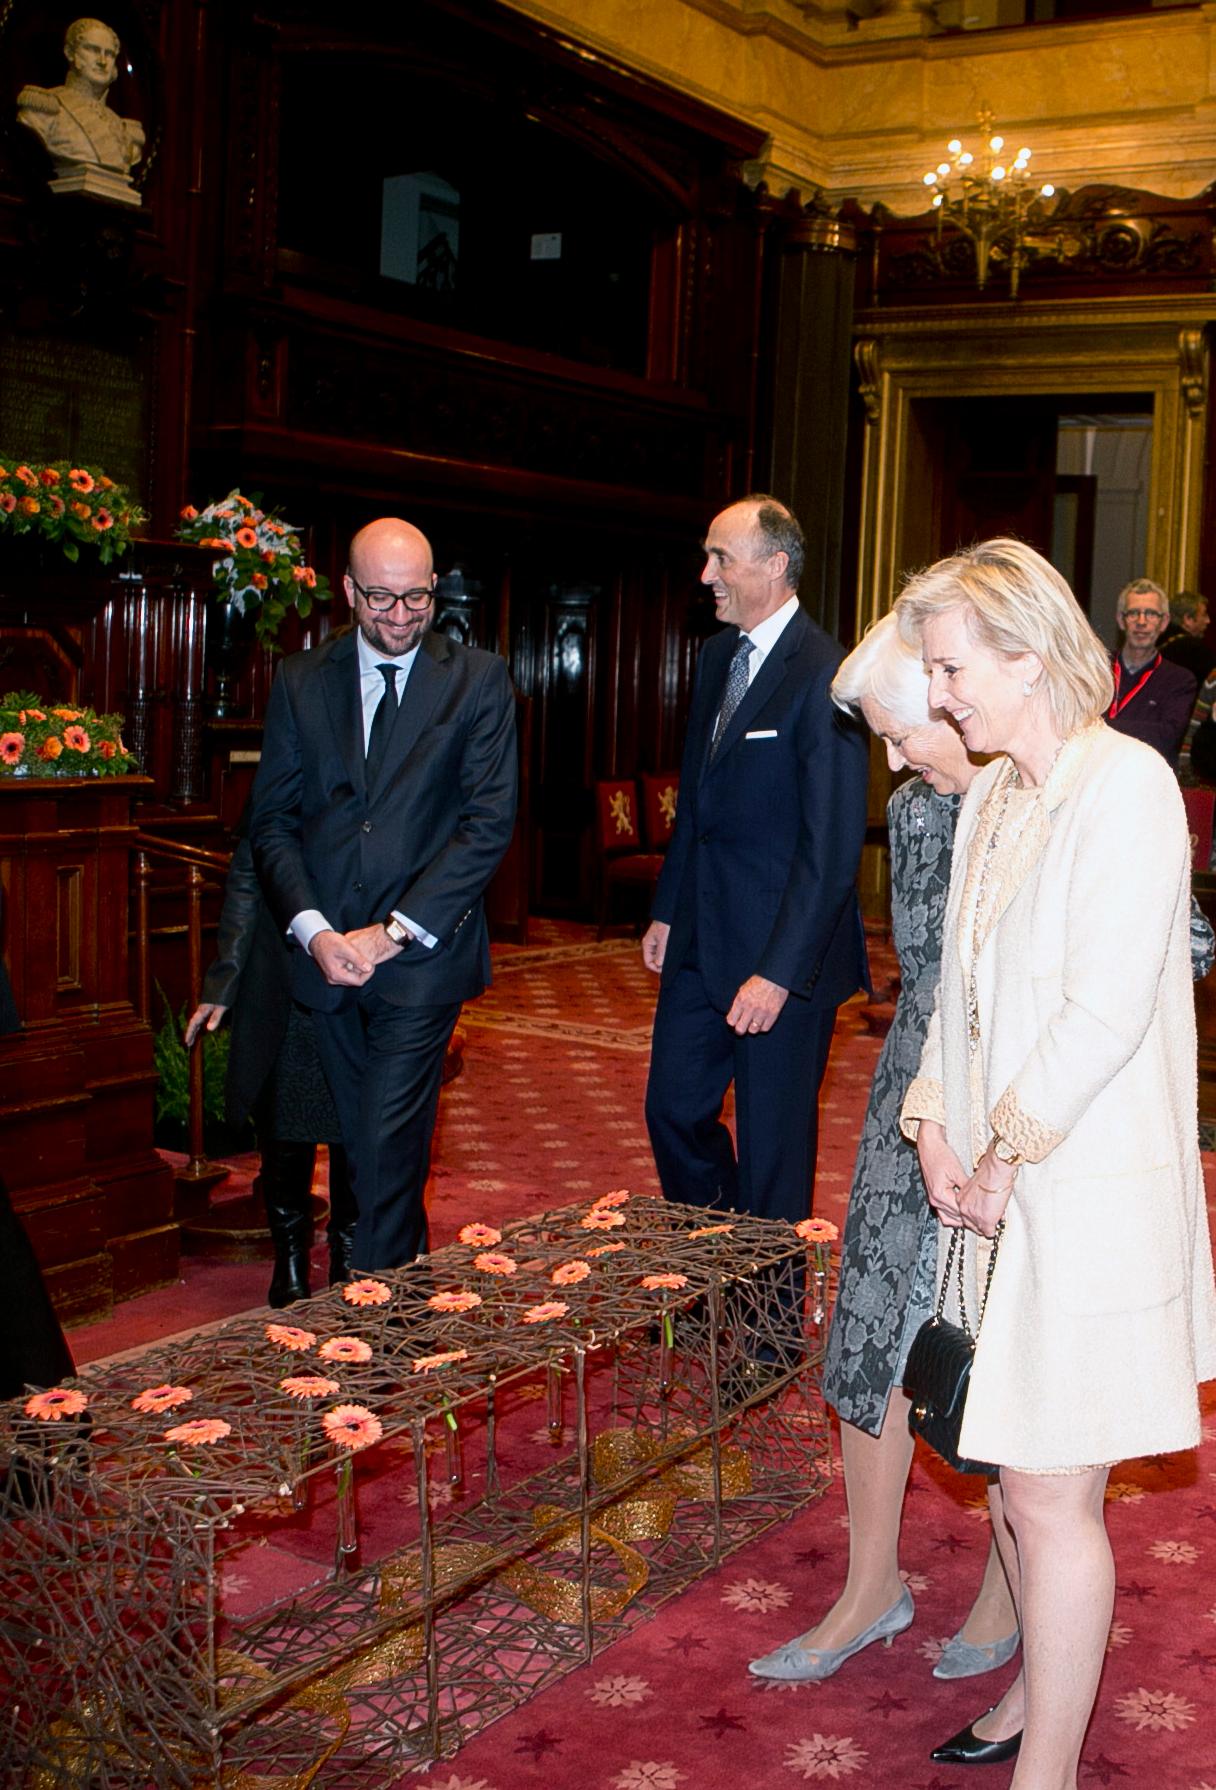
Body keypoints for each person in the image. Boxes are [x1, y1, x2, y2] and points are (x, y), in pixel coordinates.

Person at [897, 539, 1216, 1785]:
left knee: (1045, 1492)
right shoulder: (992, 793)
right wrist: (932, 1114)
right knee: (1006, 1474)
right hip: (991, 1193)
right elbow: (954, 997)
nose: (939, 698)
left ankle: (1051, 1771)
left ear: (1028, 656)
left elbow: (1102, 1010)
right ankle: (1036, 1691)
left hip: (1079, 1195)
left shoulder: (1122, 783)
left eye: (953, 667)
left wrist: (1006, 1151)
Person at [749, 612, 1018, 1685]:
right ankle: (872, 1586)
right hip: (916, 1093)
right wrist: (921, 1111)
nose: (895, 760)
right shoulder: (914, 813)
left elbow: (1174, 941)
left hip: (1017, 1118)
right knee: (868, 1341)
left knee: (995, 1358)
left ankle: (1008, 1585)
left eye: (903, 732)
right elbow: (924, 972)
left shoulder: (1054, 795)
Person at [250, 518, 517, 1272]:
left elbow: (487, 826)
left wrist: (391, 933)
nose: (399, 617)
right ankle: (405, 1312)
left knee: (383, 1147)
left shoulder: (477, 680)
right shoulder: (302, 681)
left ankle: (375, 1335)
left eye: (416, 600)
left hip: (421, 961)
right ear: (347, 591)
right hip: (327, 958)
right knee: (371, 1154)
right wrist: (315, 932)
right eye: (380, 600)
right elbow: (271, 823)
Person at [643, 494, 869, 1235]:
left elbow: (831, 849)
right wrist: (668, 908)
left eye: (721, 559)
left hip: (783, 959)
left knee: (774, 1154)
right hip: (701, 936)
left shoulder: (826, 674)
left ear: (775, 567)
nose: (706, 573)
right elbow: (697, 797)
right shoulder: (717, 655)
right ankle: (717, 1266)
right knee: (672, 1109)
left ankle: (766, 1335)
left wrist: (778, 972)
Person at [184, 831, 356, 1307]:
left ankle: (347, 1254)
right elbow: (247, 876)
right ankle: (291, 1260)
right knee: (284, 1120)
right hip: (282, 974)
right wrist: (224, 980)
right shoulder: (286, 765)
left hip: (359, 967)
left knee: (354, 1123)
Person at [16, 18, 145, 197]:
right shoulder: (44, 109)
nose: (102, 61)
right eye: (92, 50)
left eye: (109, 54)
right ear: (70, 53)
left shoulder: (126, 132)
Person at [1105, 577, 1195, 764]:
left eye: (1151, 614)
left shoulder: (1180, 680)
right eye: (1133, 613)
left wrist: (1100, 726)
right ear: (1121, 620)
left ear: (1164, 623)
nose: (1141, 621)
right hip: (1094, 775)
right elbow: (1073, 725)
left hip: (1148, 780)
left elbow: (1166, 737)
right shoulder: (1096, 669)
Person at [1160, 587, 1213, 688]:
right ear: (1188, 619)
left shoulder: (1156, 641)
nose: (1208, 621)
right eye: (1204, 615)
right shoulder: (1194, 649)